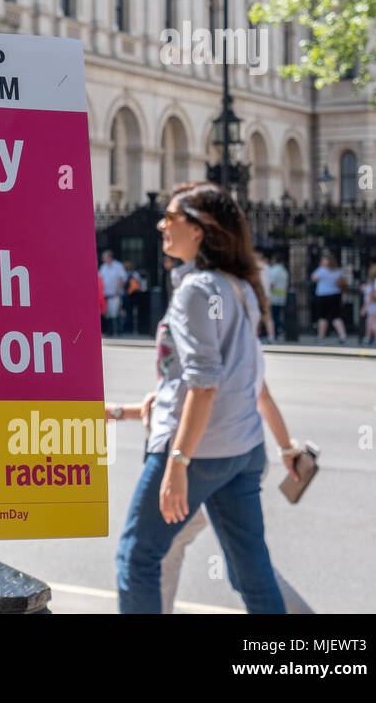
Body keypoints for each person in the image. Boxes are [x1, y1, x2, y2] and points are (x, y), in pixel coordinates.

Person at [115, 181, 285, 614]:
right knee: (251, 569)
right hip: (243, 449)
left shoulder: (197, 290)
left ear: (200, 230)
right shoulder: (240, 287)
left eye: (171, 218)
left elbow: (205, 385)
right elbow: (244, 380)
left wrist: (177, 461)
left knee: (137, 557)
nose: (161, 225)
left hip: (200, 449)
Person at [108, 380, 312, 613]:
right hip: (242, 453)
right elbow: (260, 393)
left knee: (145, 556)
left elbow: (199, 397)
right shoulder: (239, 348)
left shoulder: (199, 349)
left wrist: (175, 465)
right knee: (246, 564)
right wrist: (286, 448)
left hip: (200, 463)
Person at [309, 253, 348, 344]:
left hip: (323, 296)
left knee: (322, 317)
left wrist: (320, 268)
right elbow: (342, 283)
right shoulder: (338, 271)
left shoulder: (321, 270)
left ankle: (321, 337)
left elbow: (313, 278)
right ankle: (343, 336)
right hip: (335, 295)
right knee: (336, 317)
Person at [98, 250, 127, 337]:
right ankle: (109, 332)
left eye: (105, 257)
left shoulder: (118, 266)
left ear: (110, 257)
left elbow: (122, 279)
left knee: (115, 314)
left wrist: (117, 292)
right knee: (107, 314)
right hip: (105, 295)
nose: (103, 259)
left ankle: (118, 332)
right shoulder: (103, 267)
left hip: (115, 294)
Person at [266, 253, 289, 340]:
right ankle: (276, 333)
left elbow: (271, 284)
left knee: (274, 317)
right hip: (282, 296)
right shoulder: (284, 270)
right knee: (277, 315)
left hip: (273, 297)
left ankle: (282, 328)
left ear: (275, 260)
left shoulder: (274, 270)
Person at [359, 262, 376, 346]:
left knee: (373, 324)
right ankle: (367, 338)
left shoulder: (370, 286)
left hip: (372, 308)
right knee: (369, 323)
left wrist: (364, 309)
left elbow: (369, 299)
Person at [123, 259, 145, 336]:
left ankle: (129, 329)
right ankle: (133, 329)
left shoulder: (124, 274)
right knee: (133, 313)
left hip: (128, 296)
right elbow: (140, 284)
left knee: (128, 313)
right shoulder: (135, 274)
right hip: (134, 295)